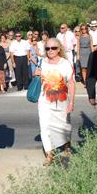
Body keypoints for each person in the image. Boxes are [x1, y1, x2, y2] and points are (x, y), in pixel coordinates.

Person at [34, 38, 75, 166]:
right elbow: (38, 81)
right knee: (44, 127)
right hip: (45, 101)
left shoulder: (65, 63)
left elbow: (71, 83)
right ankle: (49, 155)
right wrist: (36, 74)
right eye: (47, 48)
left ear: (59, 49)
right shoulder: (42, 62)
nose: (50, 51)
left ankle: (66, 143)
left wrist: (71, 103)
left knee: (64, 126)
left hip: (62, 101)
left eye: (53, 48)